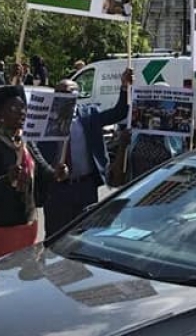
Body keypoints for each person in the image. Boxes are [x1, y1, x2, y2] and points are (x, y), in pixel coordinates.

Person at [0, 86, 63, 262]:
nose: (22, 113)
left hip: (28, 222)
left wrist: (57, 174)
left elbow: (43, 169)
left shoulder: (26, 141)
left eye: (24, 108)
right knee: (0, 277)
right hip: (1, 226)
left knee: (26, 274)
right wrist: (6, 179)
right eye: (15, 109)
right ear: (0, 114)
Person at [44, 69, 131, 238]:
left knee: (85, 236)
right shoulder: (45, 119)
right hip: (56, 189)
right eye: (59, 93)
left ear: (77, 95)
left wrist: (125, 87)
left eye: (68, 93)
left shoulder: (90, 115)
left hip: (85, 188)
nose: (63, 97)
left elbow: (119, 112)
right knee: (56, 237)